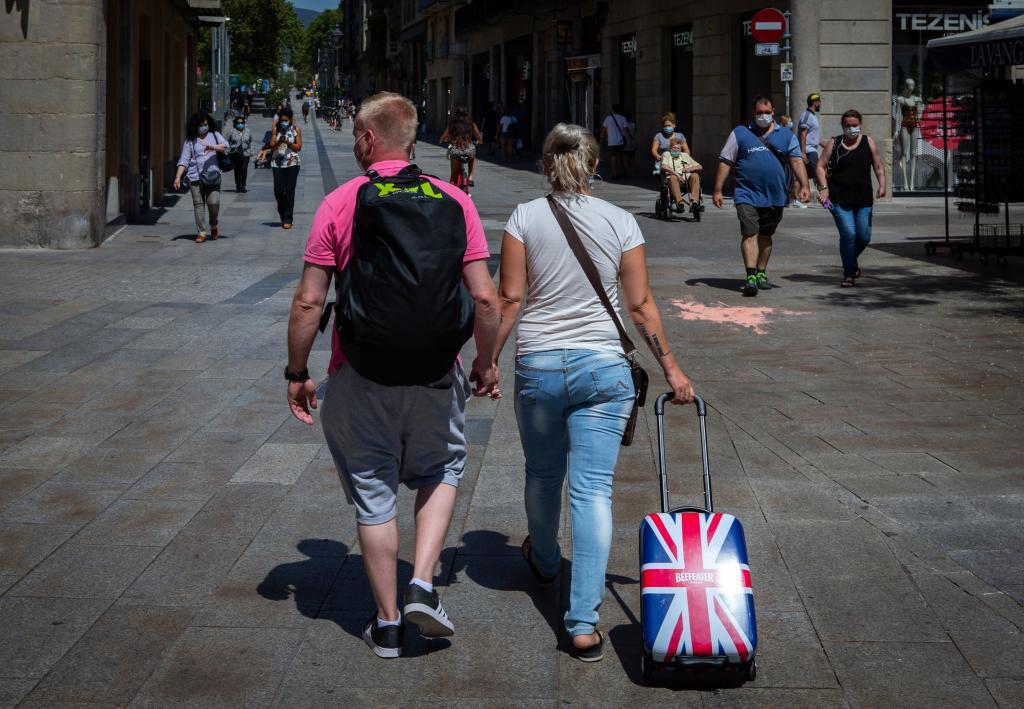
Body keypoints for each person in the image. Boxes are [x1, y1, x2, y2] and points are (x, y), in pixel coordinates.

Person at [285, 92, 500, 660]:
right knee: (444, 466)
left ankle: (385, 623)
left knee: (372, 488)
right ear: (409, 140)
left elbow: (310, 303)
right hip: (436, 370)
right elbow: (484, 298)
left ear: (367, 139)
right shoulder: (454, 199)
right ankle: (424, 583)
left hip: (359, 371)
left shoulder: (340, 202)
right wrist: (486, 362)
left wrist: (297, 371)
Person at [492, 123, 696, 663]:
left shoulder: (524, 217)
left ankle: (546, 560)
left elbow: (509, 297)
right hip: (604, 368)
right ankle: (582, 623)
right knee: (593, 492)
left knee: (541, 473)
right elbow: (640, 305)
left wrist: (486, 359)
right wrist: (672, 369)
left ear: (546, 164)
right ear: (594, 164)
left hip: (538, 364)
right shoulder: (621, 220)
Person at [712, 95, 810, 296]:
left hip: (775, 195)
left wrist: (805, 184)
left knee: (766, 235)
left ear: (773, 112)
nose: (763, 116)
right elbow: (725, 161)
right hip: (746, 193)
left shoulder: (786, 135)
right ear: (753, 113)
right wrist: (718, 189)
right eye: (759, 113)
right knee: (749, 232)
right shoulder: (740, 133)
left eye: (767, 112)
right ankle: (750, 277)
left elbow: (796, 161)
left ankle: (761, 273)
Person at [816, 109, 887, 287]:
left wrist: (883, 184)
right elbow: (820, 166)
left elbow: (878, 166)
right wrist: (824, 189)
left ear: (860, 125)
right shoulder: (835, 143)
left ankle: (850, 259)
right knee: (848, 233)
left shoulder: (868, 141)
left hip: (863, 199)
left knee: (863, 236)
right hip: (838, 198)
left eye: (855, 125)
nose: (851, 129)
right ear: (842, 126)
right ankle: (849, 273)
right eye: (848, 126)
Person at [173, 112, 228, 243]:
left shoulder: (214, 135)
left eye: (205, 124)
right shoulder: (190, 141)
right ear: (194, 126)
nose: (204, 127)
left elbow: (226, 146)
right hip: (194, 177)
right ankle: (202, 232)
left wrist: (213, 147)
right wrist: (177, 177)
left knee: (213, 202)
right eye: (201, 125)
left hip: (212, 176)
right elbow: (184, 161)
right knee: (198, 205)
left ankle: (213, 224)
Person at [269, 105, 302, 229]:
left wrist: (289, 143)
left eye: (286, 120)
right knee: (278, 191)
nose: (283, 122)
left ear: (290, 119)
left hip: (292, 163)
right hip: (277, 163)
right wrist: (279, 142)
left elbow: (298, 147)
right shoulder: (275, 130)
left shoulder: (296, 130)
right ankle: (283, 212)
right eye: (281, 120)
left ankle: (288, 218)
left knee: (289, 190)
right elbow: (271, 146)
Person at [440, 106, 482, 187]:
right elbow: (479, 138)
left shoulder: (452, 124)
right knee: (473, 155)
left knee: (453, 175)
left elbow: (442, 139)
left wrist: (445, 141)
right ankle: (470, 177)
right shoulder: (471, 124)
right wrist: (477, 142)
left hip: (456, 150)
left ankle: (452, 190)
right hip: (469, 149)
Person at [661, 135, 703, 212]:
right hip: (673, 181)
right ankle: (679, 203)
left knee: (695, 175)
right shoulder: (666, 154)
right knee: (673, 177)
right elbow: (664, 166)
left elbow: (700, 167)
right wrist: (677, 175)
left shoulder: (685, 156)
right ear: (670, 148)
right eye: (674, 148)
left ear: (681, 149)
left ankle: (694, 203)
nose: (676, 150)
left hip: (687, 180)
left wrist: (689, 169)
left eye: (678, 148)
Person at [797, 93, 824, 209]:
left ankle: (795, 199)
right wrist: (803, 153)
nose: (820, 104)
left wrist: (829, 147)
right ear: (815, 102)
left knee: (802, 176)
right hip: (808, 151)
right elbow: (803, 134)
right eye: (819, 102)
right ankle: (825, 200)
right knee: (818, 176)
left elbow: (815, 137)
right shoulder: (807, 116)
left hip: (810, 150)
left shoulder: (812, 116)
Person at [600, 103, 632, 179]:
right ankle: (622, 172)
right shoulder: (623, 118)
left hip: (611, 141)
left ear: (613, 110)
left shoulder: (608, 118)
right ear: (620, 110)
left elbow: (604, 130)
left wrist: (601, 138)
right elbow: (625, 130)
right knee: (620, 157)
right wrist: (630, 139)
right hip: (620, 141)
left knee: (613, 157)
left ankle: (614, 173)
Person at [226, 113, 253, 193]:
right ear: (235, 124)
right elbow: (226, 141)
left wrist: (251, 150)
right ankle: (238, 185)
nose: (240, 124)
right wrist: (227, 150)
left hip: (246, 153)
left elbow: (251, 141)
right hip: (235, 153)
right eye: (238, 123)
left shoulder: (248, 131)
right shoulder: (231, 132)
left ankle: (243, 186)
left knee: (244, 169)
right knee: (237, 170)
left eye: (242, 123)